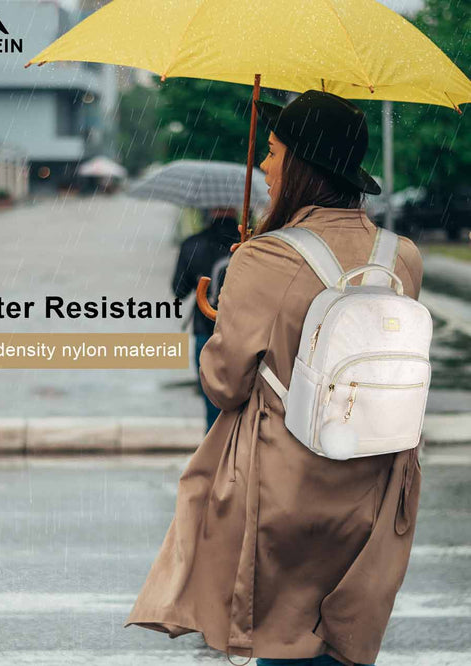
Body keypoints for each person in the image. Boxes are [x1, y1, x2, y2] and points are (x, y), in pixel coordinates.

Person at [125, 90, 423, 666]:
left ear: (301, 165)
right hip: (379, 487)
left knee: (285, 649)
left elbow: (225, 382)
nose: (264, 165)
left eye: (273, 150)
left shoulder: (265, 258)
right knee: (342, 646)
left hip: (291, 489)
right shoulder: (401, 256)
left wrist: (235, 298)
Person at [172, 207, 240, 432]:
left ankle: (212, 453)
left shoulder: (193, 244)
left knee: (211, 402)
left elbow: (179, 290)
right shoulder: (251, 244)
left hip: (205, 331)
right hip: (243, 334)